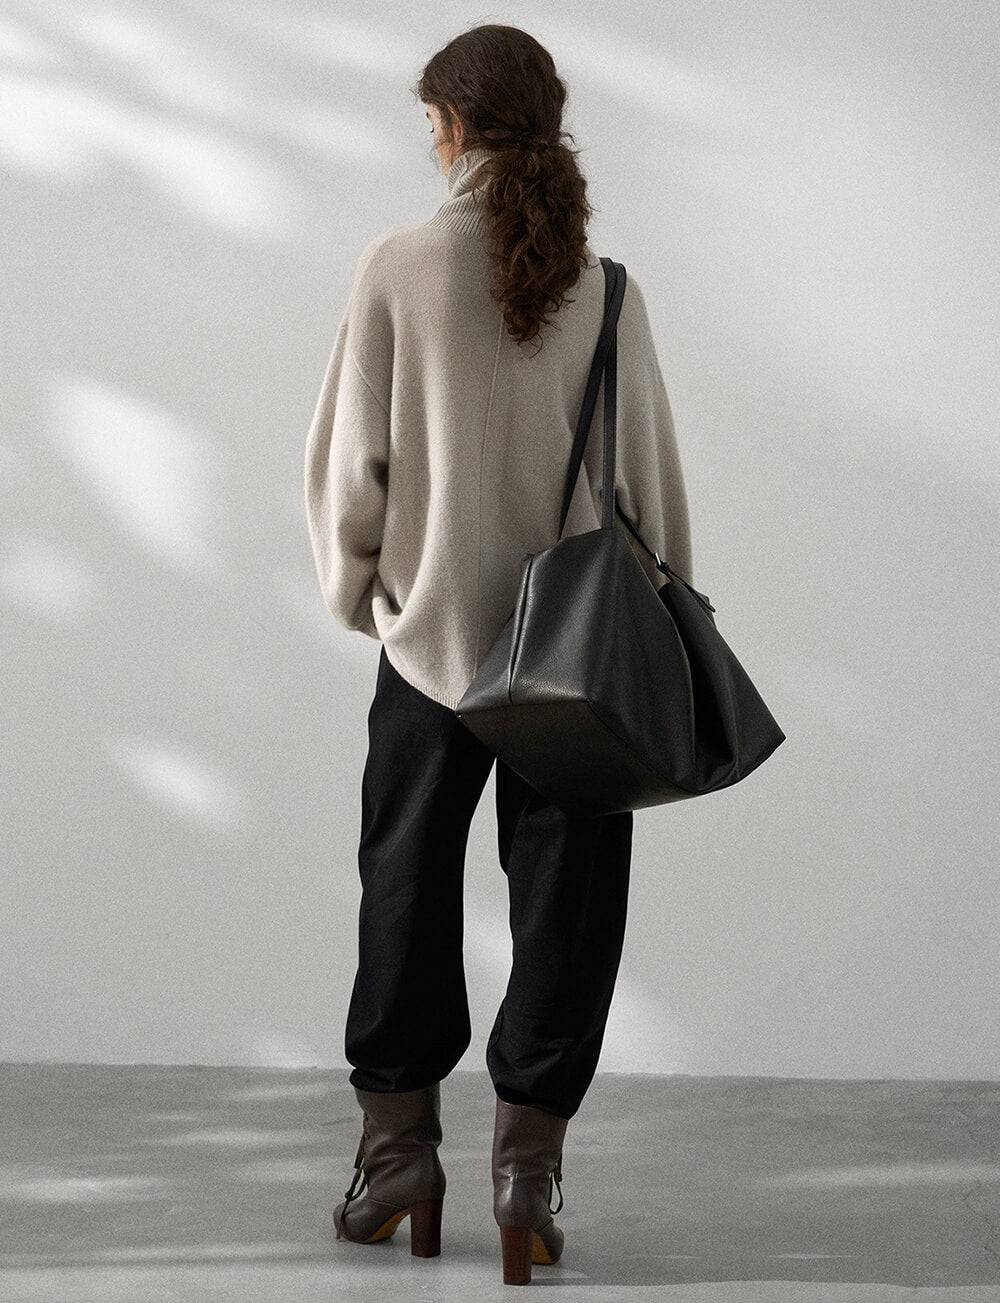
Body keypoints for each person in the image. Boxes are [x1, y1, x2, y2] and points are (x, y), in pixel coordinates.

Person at [303, 23, 693, 1287]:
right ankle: (528, 1175)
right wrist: (661, 621)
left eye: (431, 122)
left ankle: (396, 1160)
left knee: (404, 890)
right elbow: (648, 488)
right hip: (577, 666)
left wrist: (360, 591)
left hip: (430, 642)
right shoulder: (606, 286)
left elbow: (351, 463)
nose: (429, 140)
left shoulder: (398, 266)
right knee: (569, 906)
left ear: (456, 125)